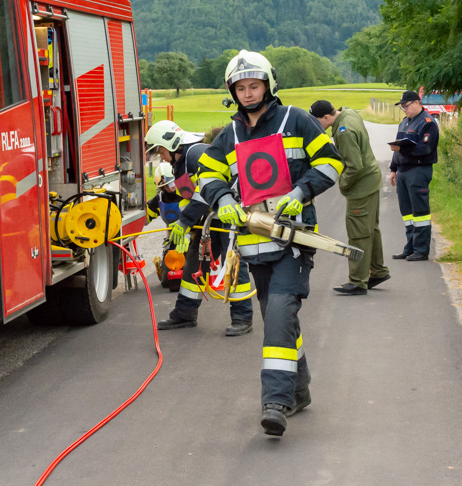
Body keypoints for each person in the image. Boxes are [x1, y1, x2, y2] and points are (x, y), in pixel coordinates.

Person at [198, 50, 344, 437]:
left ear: (269, 85)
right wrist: (222, 198)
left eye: (254, 85)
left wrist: (300, 192)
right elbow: (206, 174)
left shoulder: (296, 119)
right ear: (233, 91)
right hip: (254, 246)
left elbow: (331, 162)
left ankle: (275, 403)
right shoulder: (229, 135)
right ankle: (300, 390)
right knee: (280, 321)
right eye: (241, 88)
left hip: (293, 241)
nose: (248, 93)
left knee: (279, 314)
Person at [145, 121, 254, 336]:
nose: (161, 157)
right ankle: (185, 313)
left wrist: (185, 222)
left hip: (230, 213)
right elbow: (190, 196)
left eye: (161, 151)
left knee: (233, 264)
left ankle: (242, 317)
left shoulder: (196, 154)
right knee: (195, 261)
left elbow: (206, 192)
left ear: (171, 143)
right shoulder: (183, 161)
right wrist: (187, 224)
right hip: (213, 217)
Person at [309, 100, 390, 295]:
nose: (315, 126)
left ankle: (357, 281)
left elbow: (354, 166)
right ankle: (377, 271)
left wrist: (343, 184)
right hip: (371, 181)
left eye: (316, 121)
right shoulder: (349, 113)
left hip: (361, 187)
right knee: (371, 229)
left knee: (358, 233)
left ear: (326, 117)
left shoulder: (343, 131)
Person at [388, 90, 439, 261]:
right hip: (402, 171)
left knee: (420, 213)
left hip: (418, 170)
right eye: (402, 107)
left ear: (417, 102)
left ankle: (421, 249)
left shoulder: (428, 123)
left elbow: (425, 149)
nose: (404, 109)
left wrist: (402, 150)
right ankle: (410, 247)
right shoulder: (404, 122)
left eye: (406, 106)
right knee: (407, 214)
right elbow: (397, 148)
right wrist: (393, 168)